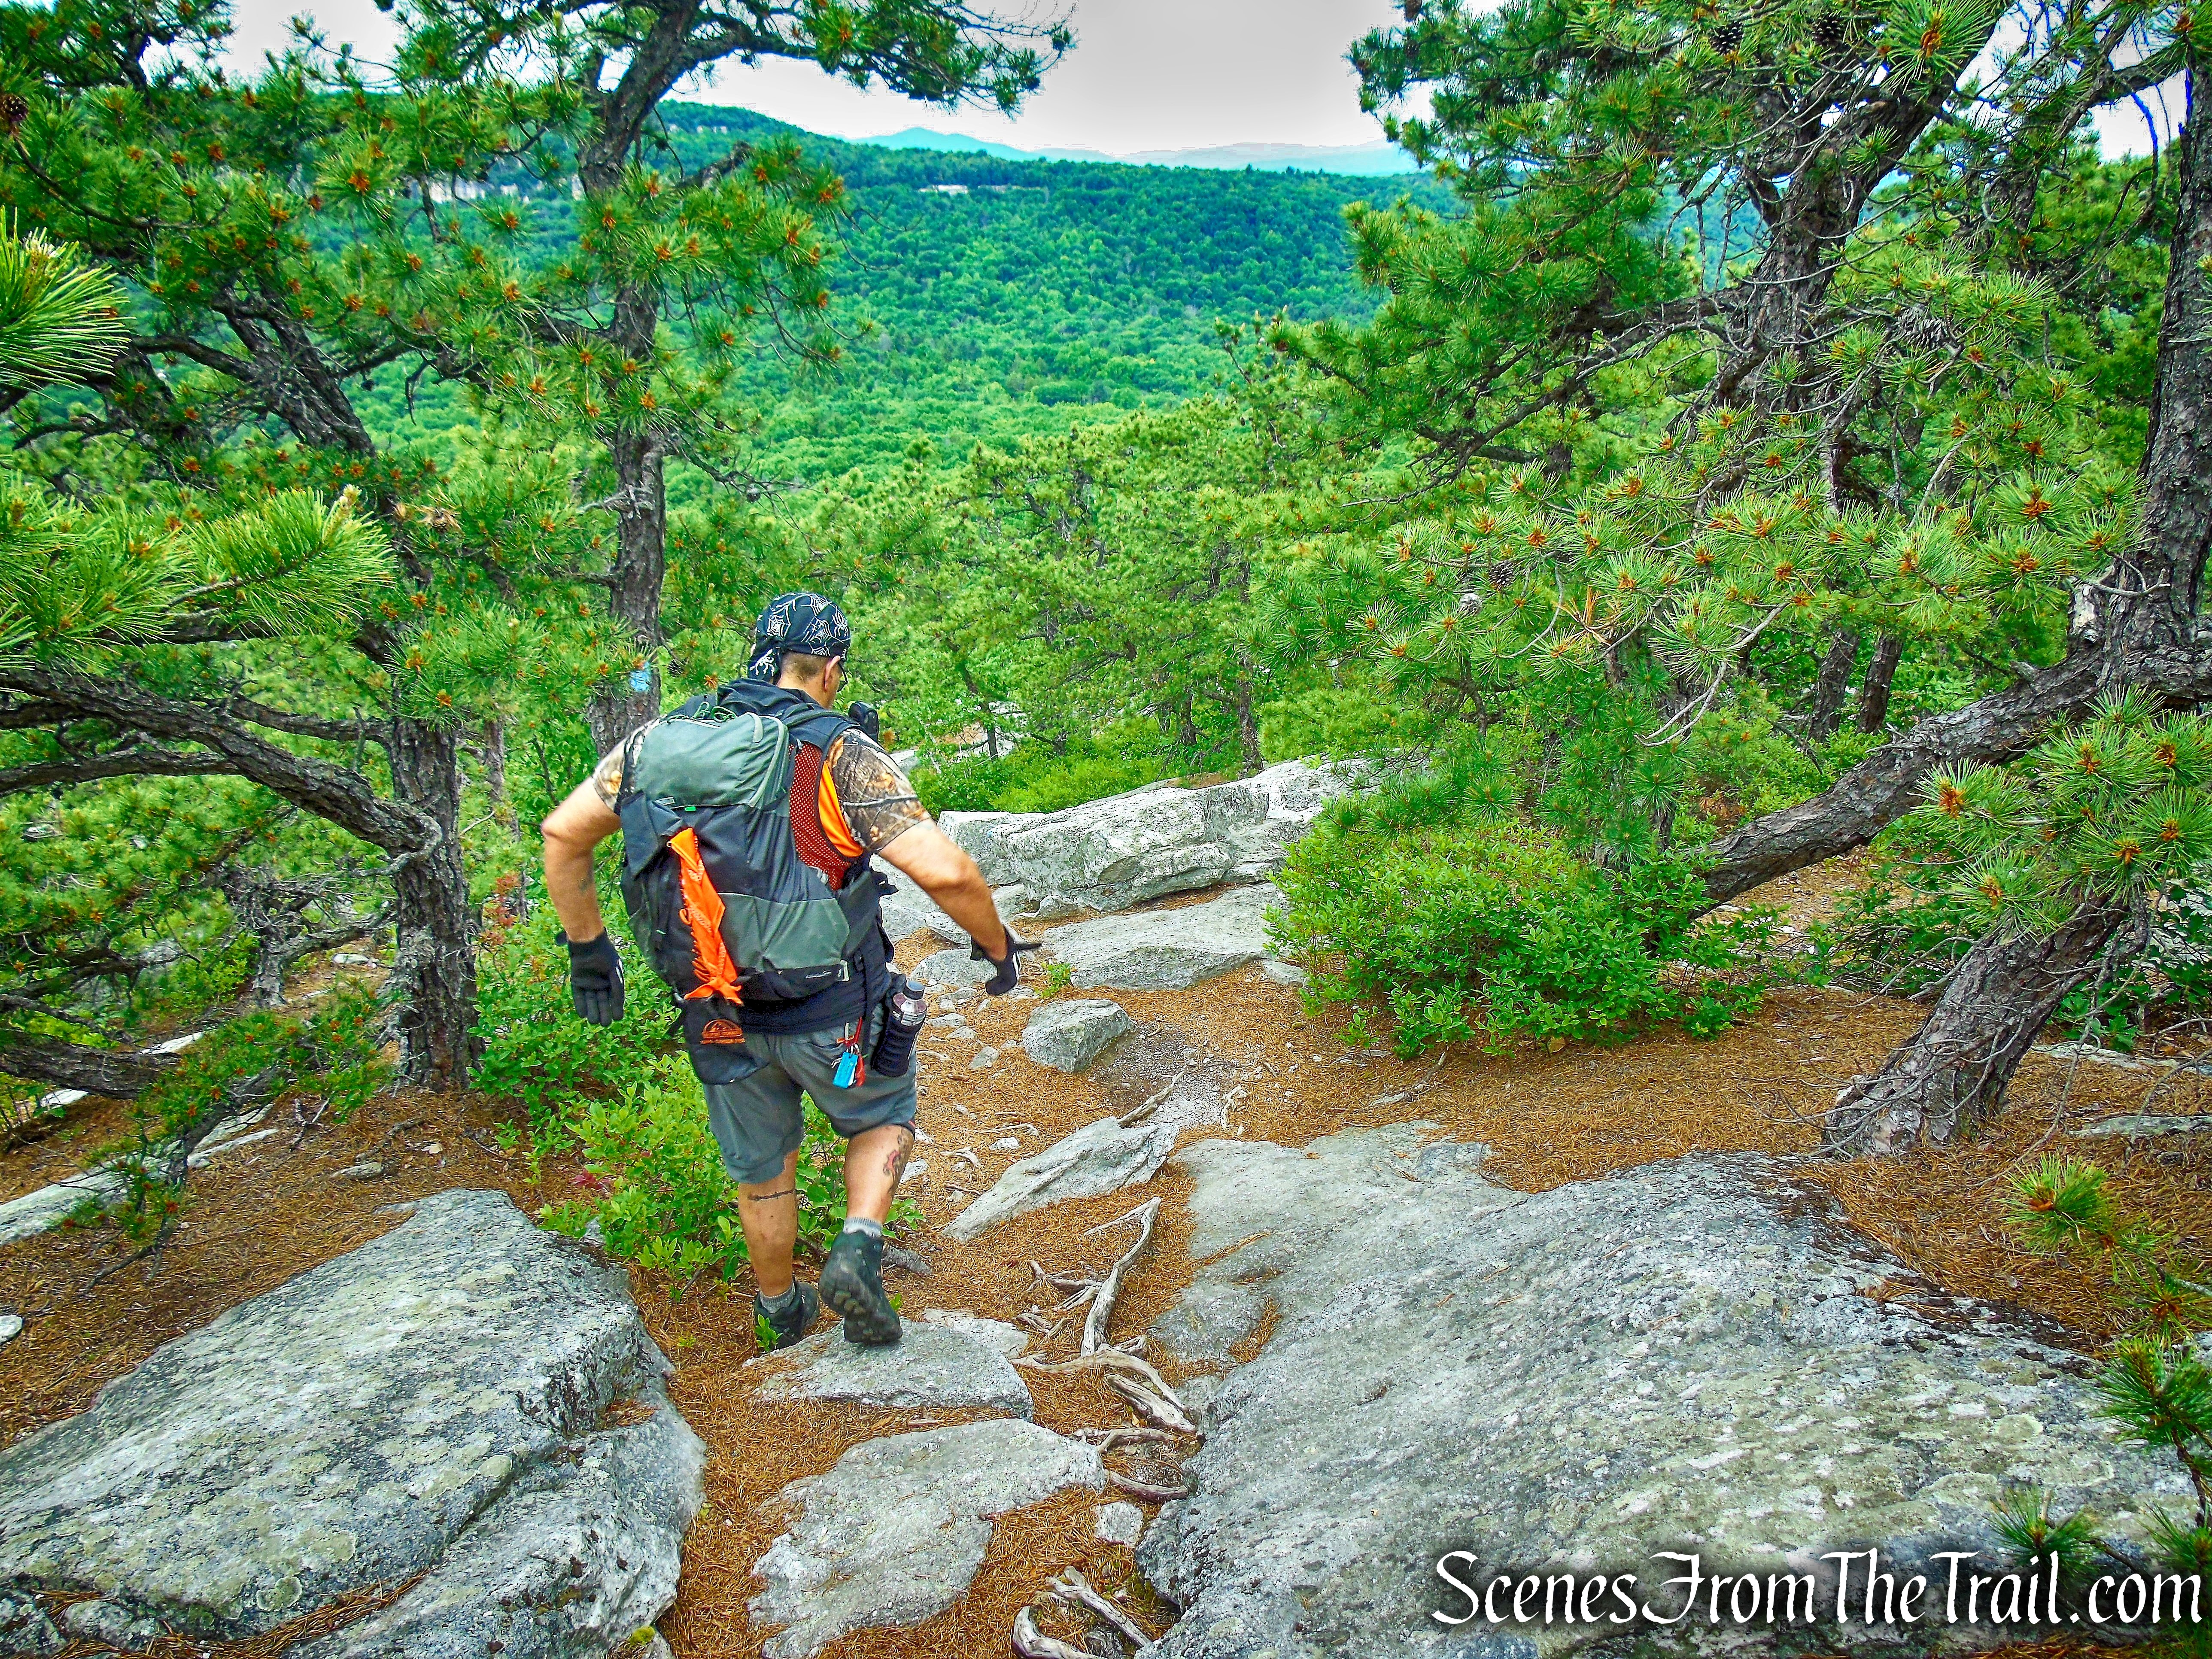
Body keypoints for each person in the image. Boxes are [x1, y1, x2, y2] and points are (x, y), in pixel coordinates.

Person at [540, 593, 1034, 1350]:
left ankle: (781, 1311)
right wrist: (997, 950)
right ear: (831, 672)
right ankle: (858, 1246)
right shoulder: (839, 754)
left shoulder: (654, 746)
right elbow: (951, 875)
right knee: (881, 1118)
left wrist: (588, 950)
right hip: (829, 1010)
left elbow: (563, 835)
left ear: (757, 657)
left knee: (763, 1171)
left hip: (716, 1009)